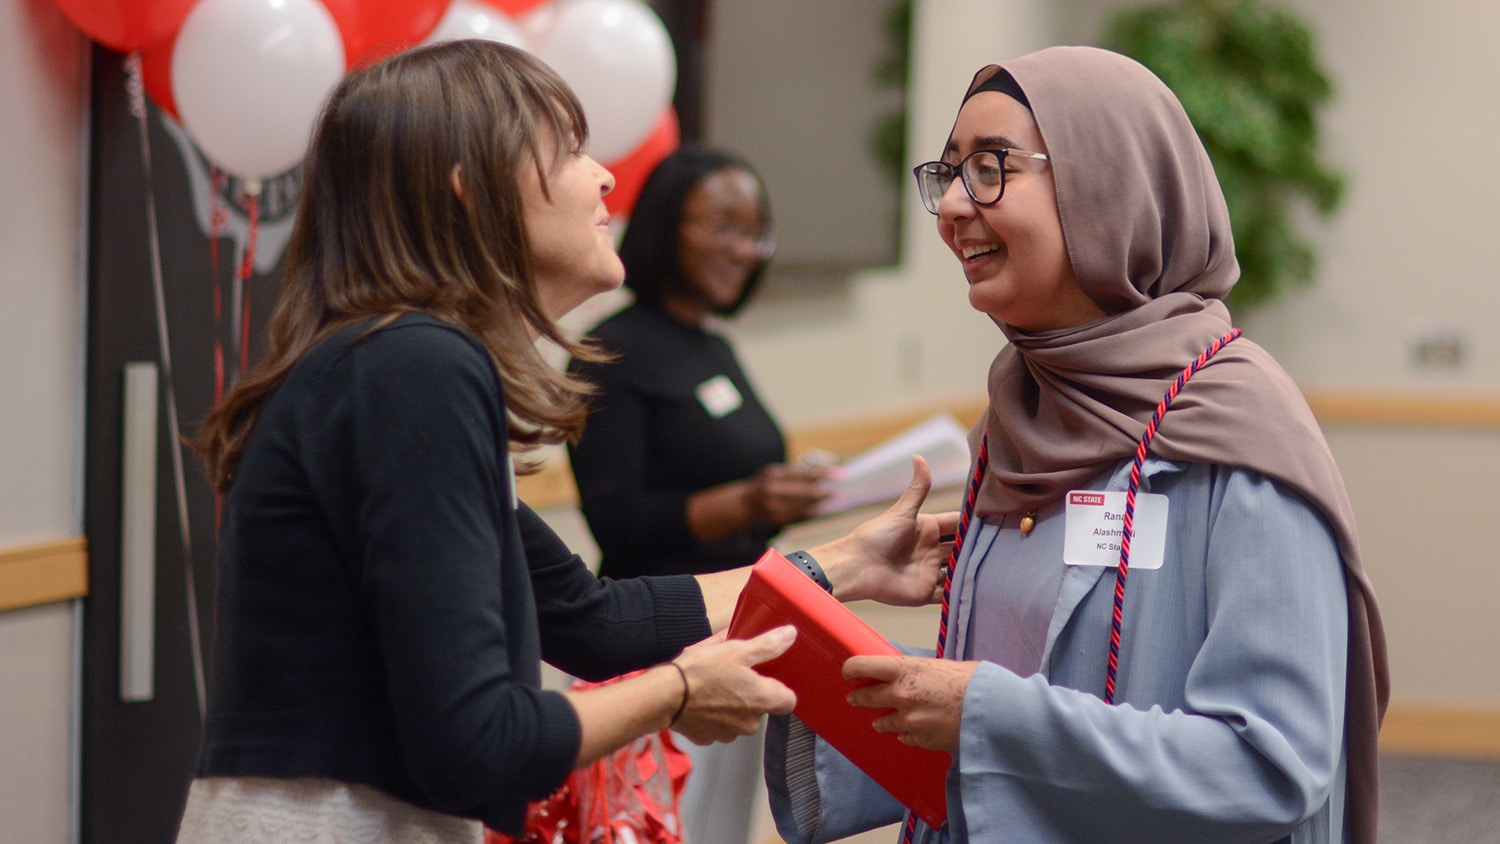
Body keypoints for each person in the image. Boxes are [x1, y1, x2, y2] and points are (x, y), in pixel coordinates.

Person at [172, 39, 954, 844]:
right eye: (571, 150)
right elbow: (480, 742)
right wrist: (679, 691)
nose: (606, 175)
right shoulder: (416, 367)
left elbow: (592, 619)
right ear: (471, 191)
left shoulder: (391, 361)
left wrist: (848, 563)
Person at [762, 46, 1389, 844]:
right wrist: (865, 680)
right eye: (948, 173)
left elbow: (1269, 764)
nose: (954, 205)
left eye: (991, 168)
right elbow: (1030, 673)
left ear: (1108, 185)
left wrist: (979, 712)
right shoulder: (1016, 416)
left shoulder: (1237, 426)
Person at [565, 145, 833, 844]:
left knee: (718, 829)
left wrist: (780, 498)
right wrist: (746, 502)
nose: (742, 248)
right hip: (653, 643)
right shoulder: (610, 350)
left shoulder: (714, 348)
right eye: (721, 226)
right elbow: (618, 522)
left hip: (738, 630)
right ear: (663, 225)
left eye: (754, 232)